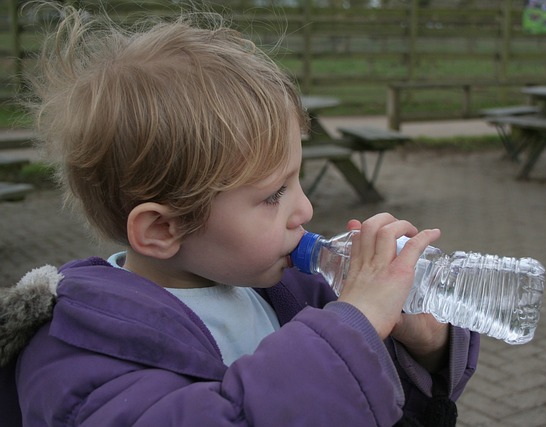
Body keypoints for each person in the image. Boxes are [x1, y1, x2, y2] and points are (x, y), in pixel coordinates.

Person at [0, 3, 478, 426]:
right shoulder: (81, 350)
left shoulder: (288, 293)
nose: (305, 210)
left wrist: (422, 342)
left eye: (297, 180)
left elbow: (373, 401)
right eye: (274, 195)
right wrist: (356, 323)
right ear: (163, 228)